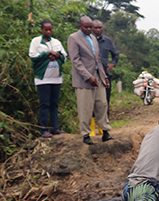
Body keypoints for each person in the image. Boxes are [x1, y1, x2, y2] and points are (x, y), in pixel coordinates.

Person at [67, 16, 113, 145]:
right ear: (80, 26)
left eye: (90, 27)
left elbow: (98, 59)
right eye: (86, 27)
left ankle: (105, 132)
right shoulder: (73, 38)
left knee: (102, 104)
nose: (88, 29)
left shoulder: (93, 38)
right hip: (84, 79)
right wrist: (88, 76)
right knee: (85, 107)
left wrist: (104, 77)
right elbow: (75, 60)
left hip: (98, 76)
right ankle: (86, 134)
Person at [28, 19, 67, 138]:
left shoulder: (56, 42)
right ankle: (44, 129)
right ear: (42, 29)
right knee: (44, 104)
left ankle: (55, 128)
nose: (48, 31)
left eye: (50, 29)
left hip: (56, 78)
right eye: (46, 29)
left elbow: (64, 57)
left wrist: (57, 55)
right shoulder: (36, 41)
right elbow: (33, 56)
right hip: (43, 78)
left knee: (54, 104)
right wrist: (47, 54)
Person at [92, 20, 119, 113]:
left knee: (105, 100)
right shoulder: (88, 40)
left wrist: (112, 65)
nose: (98, 30)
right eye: (96, 28)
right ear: (92, 28)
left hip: (105, 76)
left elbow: (116, 54)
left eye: (100, 27)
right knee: (91, 100)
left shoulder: (107, 41)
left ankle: (105, 123)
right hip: (91, 75)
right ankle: (91, 123)